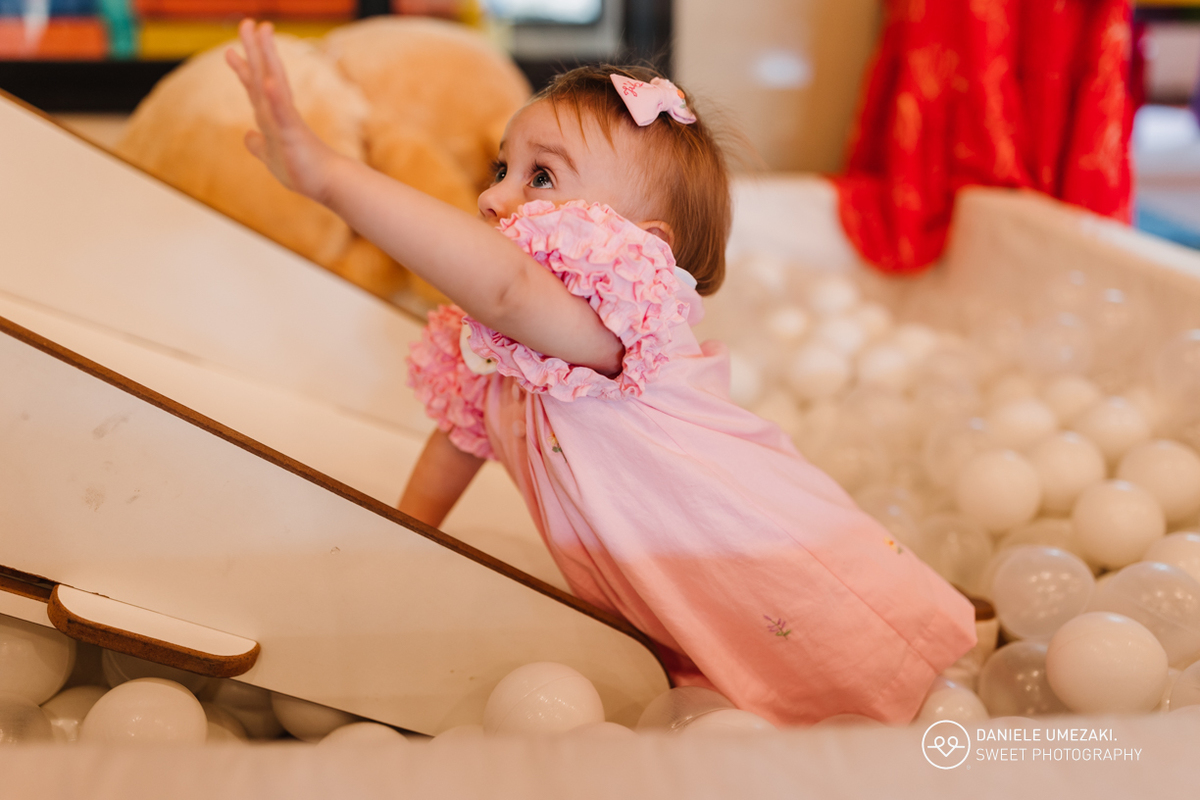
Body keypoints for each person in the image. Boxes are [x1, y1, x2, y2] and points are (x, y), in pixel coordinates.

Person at [227, 19, 976, 726]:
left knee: (874, 698)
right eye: (503, 168)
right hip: (669, 597)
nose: (493, 196)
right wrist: (400, 541)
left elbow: (505, 287)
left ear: (633, 251)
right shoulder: (499, 351)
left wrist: (331, 178)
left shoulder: (611, 333)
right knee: (725, 717)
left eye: (541, 177)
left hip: (777, 566)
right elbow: (458, 440)